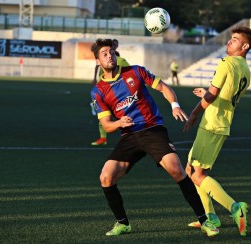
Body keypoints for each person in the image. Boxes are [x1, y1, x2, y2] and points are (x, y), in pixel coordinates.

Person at [90, 38, 219, 237]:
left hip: (152, 129)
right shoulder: (98, 91)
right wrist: (119, 123)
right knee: (106, 177)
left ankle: (205, 221)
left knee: (176, 170)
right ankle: (123, 223)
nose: (109, 56)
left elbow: (165, 88)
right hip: (129, 135)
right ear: (98, 61)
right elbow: (107, 125)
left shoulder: (136, 72)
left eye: (111, 52)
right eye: (104, 54)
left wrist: (174, 105)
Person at [183, 26, 251, 237]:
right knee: (190, 170)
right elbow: (222, 95)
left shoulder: (226, 63)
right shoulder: (246, 70)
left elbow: (213, 95)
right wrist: (207, 95)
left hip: (211, 123)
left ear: (245, 46)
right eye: (230, 39)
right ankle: (209, 217)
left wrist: (194, 113)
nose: (229, 42)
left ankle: (235, 207)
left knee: (197, 175)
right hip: (221, 122)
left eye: (234, 40)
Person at [90, 38, 129, 146]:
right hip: (103, 90)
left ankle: (130, 135)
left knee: (122, 114)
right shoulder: (104, 58)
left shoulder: (119, 59)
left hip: (119, 92)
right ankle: (103, 138)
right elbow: (97, 67)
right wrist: (95, 79)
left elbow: (130, 73)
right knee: (103, 116)